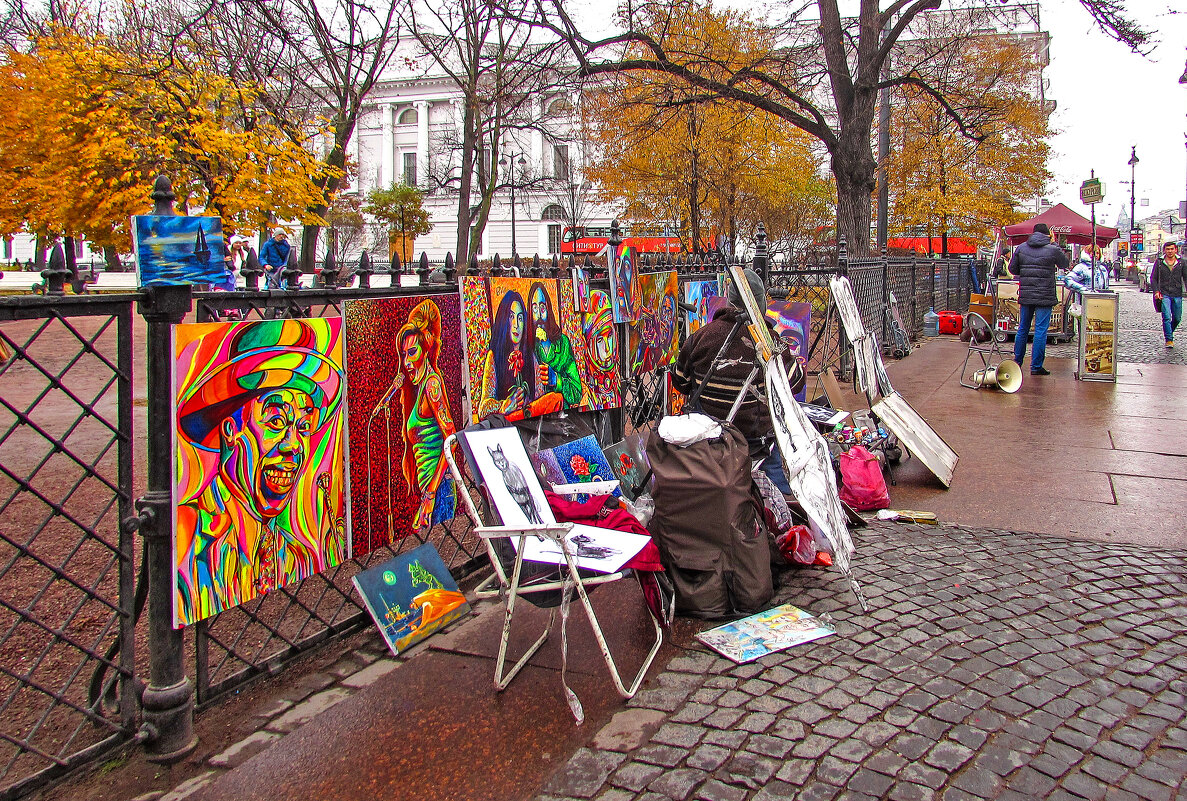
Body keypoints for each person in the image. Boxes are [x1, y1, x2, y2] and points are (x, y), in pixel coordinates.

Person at [174, 319, 346, 624]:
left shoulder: (295, 556)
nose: (293, 444)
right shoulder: (191, 540)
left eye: (303, 427)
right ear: (231, 430)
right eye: (276, 422)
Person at [672, 268, 805, 494]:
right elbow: (796, 383)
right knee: (787, 463)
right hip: (757, 443)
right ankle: (780, 501)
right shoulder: (771, 342)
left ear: (730, 300)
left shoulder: (701, 337)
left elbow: (680, 382)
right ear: (761, 303)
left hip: (710, 440)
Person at [389, 299, 458, 530]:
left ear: (425, 349)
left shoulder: (431, 385)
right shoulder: (418, 388)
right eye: (404, 354)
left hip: (438, 491)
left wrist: (429, 495)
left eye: (412, 352)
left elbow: (451, 439)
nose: (407, 361)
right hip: (431, 490)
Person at [1008, 222, 1068, 376]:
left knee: (1023, 328)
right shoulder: (1052, 249)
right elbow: (1064, 263)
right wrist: (1054, 242)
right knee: (1041, 330)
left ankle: (1017, 362)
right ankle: (1036, 367)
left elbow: (1013, 269)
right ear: (1048, 234)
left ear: (1033, 233)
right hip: (1044, 295)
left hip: (1027, 294)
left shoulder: (1021, 247)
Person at [528, 281, 584, 408]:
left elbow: (577, 393)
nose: (539, 315)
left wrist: (556, 379)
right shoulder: (527, 347)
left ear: (548, 309)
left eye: (542, 307)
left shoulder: (562, 343)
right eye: (534, 308)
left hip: (563, 418)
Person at [1151, 241, 1184, 347]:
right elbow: (1153, 278)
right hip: (1164, 293)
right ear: (1164, 250)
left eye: (1172, 249)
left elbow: (1186, 278)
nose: (1170, 251)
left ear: (1176, 250)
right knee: (1166, 317)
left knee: (1177, 318)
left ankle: (1169, 331)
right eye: (1168, 249)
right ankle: (1169, 339)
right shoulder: (1160, 262)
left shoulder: (1181, 262)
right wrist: (1156, 291)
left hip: (1177, 292)